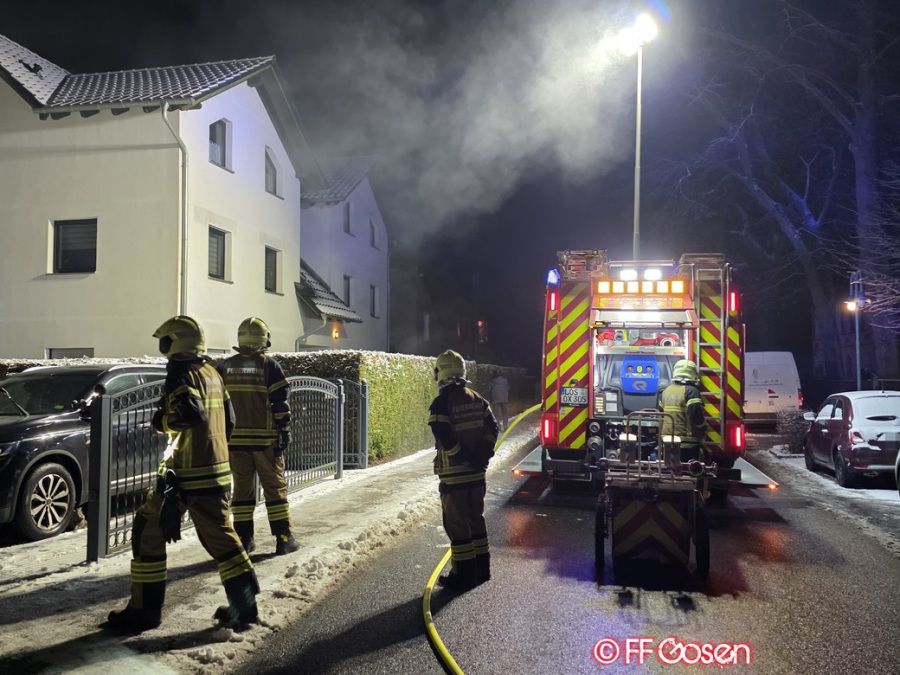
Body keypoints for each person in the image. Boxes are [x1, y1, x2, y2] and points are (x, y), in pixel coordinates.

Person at [107, 316, 259, 632]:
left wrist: (162, 423)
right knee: (216, 539)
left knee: (153, 532)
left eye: (164, 342)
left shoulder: (180, 373)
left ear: (174, 342)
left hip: (187, 476)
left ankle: (146, 612)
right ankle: (244, 607)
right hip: (213, 472)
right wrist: (212, 450)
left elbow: (190, 415)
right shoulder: (212, 372)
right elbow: (229, 420)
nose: (162, 349)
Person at [218, 317, 298, 556]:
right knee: (275, 489)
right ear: (265, 339)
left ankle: (244, 540)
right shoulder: (269, 366)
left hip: (235, 443)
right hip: (265, 442)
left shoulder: (225, 367)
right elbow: (280, 404)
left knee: (242, 492)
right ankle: (284, 539)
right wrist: (284, 432)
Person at [428, 350, 499, 591]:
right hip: (477, 474)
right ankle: (483, 570)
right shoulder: (477, 399)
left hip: (454, 477)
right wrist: (483, 454)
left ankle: (464, 576)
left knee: (458, 527)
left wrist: (462, 456)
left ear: (440, 373)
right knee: (476, 520)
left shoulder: (441, 403)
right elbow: (492, 427)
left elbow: (442, 433)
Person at [657, 359, 708, 475]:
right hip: (688, 441)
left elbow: (660, 412)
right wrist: (703, 427)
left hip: (667, 439)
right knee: (687, 472)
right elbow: (695, 413)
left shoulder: (665, 391)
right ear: (692, 374)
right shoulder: (692, 391)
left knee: (669, 470)